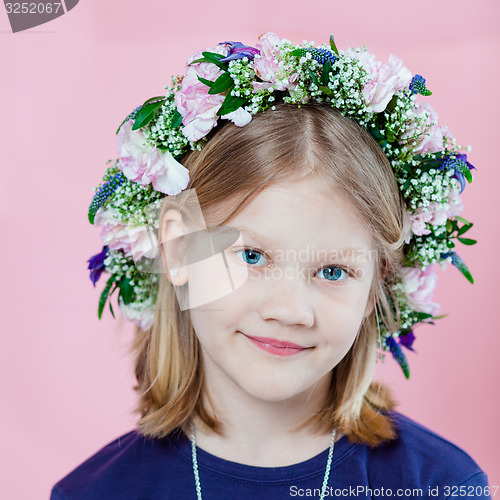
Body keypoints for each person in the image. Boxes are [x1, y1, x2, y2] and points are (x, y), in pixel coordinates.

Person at [51, 33, 491, 499]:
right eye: (252, 256)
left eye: (334, 271)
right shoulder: (94, 492)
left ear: (376, 285)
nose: (290, 310)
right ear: (180, 249)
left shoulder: (438, 485)